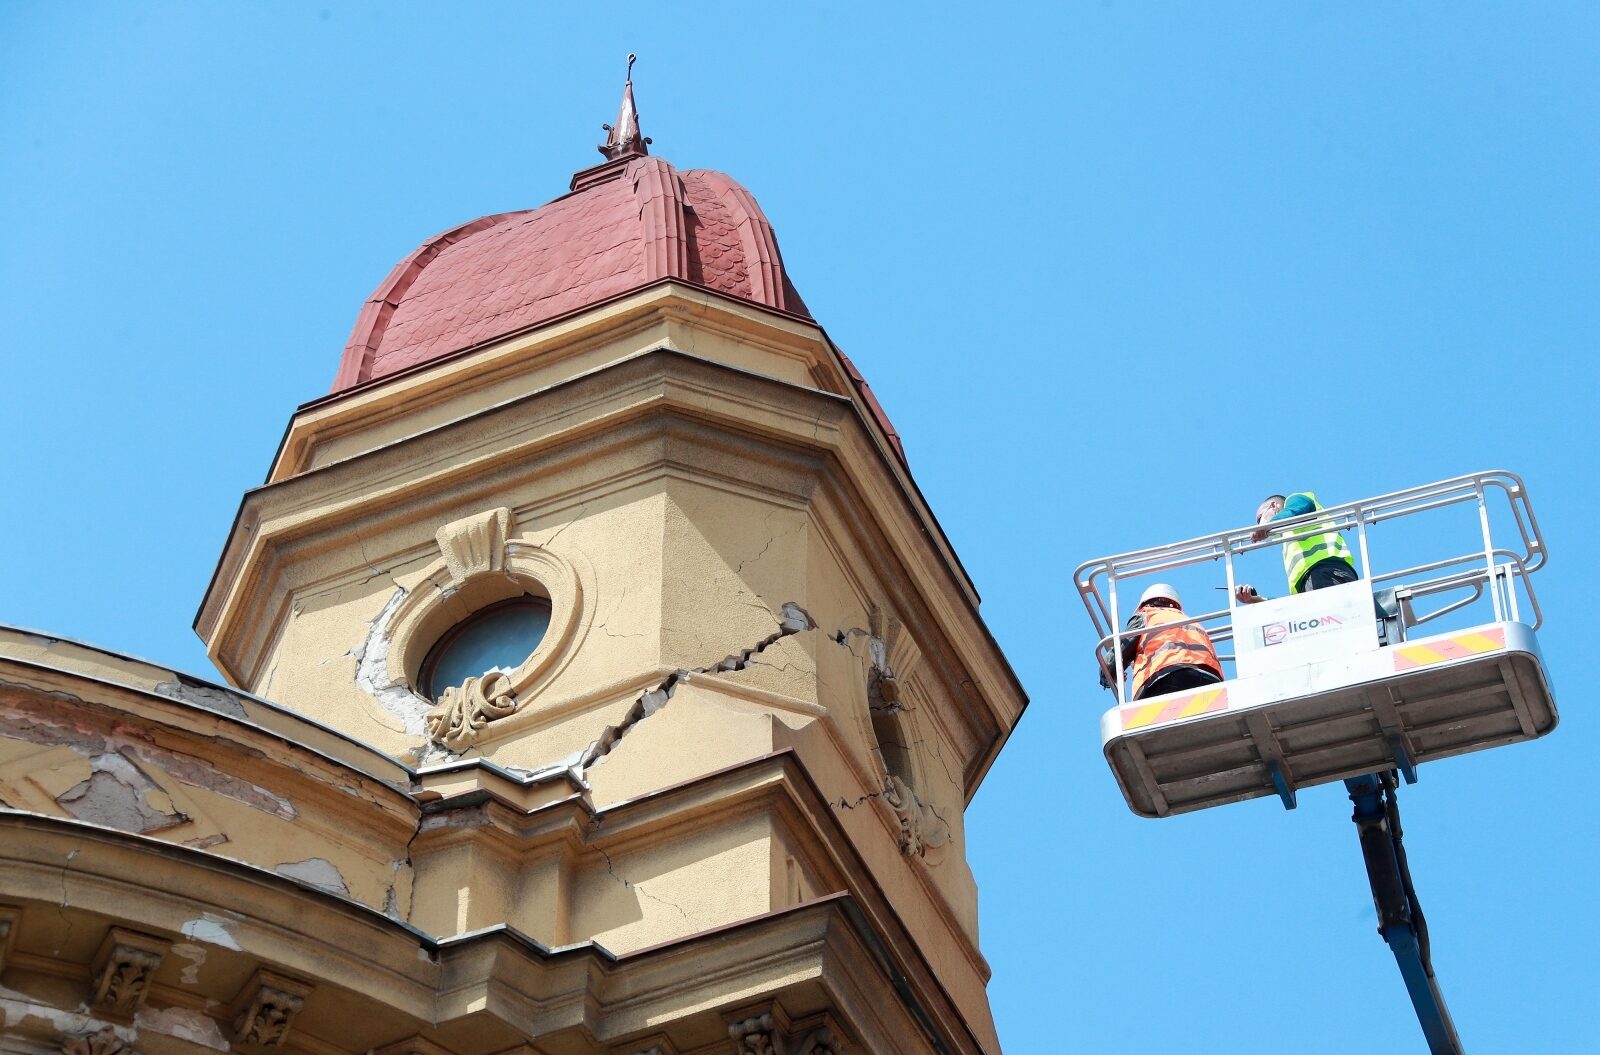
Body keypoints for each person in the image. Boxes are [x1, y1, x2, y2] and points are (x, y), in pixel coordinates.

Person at [1099, 583, 1224, 700]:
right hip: (1211, 680)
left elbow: (1119, 652)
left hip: (1165, 678)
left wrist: (1107, 675)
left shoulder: (1148, 615)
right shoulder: (1193, 622)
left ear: (1146, 604)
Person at [1235, 492, 1358, 604]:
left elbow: (1297, 509)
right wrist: (1256, 599)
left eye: (1260, 518)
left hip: (1327, 572)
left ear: (1273, 506)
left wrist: (1266, 526)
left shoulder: (1295, 500)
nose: (1258, 524)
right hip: (1314, 582)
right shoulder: (1288, 540)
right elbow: (1294, 603)